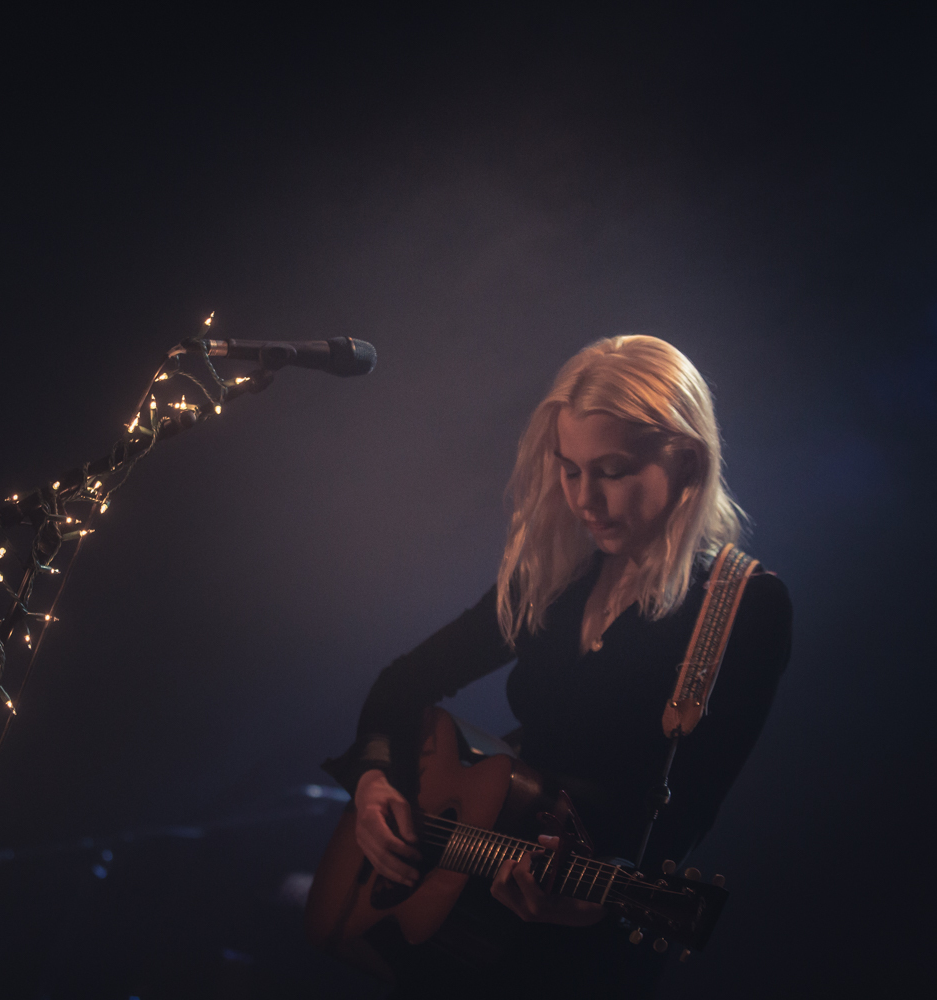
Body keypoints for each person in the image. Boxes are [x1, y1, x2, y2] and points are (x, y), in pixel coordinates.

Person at [323, 335, 792, 998]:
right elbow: (404, 683)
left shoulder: (744, 606)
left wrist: (594, 897)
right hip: (469, 926)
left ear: (686, 461)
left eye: (612, 470)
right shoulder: (556, 577)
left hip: (585, 961)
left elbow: (686, 819)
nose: (583, 499)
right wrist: (373, 783)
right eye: (569, 469)